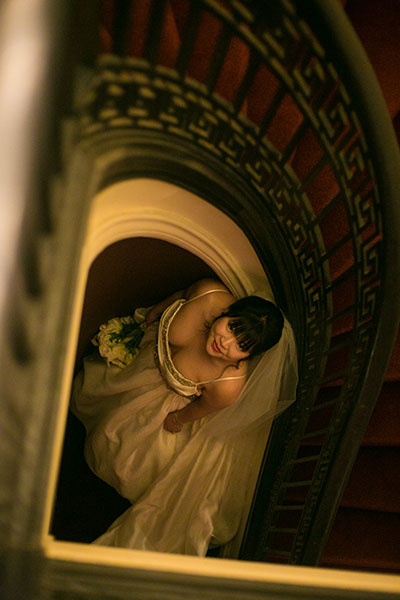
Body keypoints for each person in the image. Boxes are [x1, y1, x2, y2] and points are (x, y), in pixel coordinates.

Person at [71, 278, 298, 555]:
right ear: (228, 312)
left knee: (120, 448)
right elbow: (183, 293)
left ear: (249, 356)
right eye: (232, 327)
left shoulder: (228, 385)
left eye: (241, 345)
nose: (224, 343)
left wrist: (176, 420)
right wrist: (158, 309)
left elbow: (198, 410)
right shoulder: (209, 294)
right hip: (145, 364)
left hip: (165, 403)